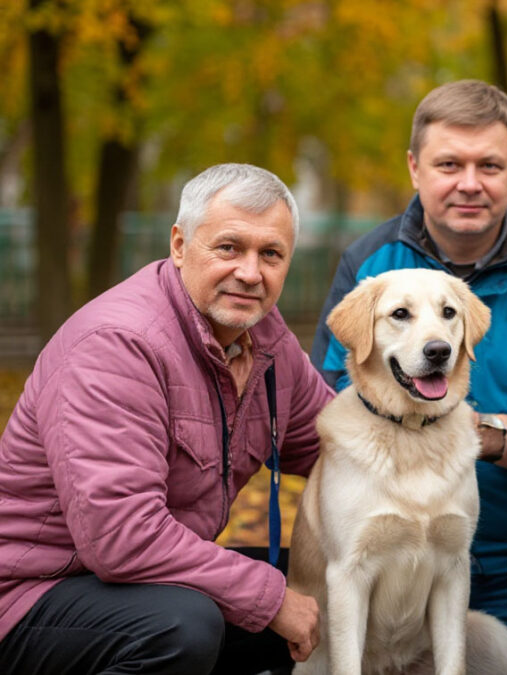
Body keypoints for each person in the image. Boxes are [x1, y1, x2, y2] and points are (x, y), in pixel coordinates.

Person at [0, 163, 335, 674]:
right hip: (30, 594)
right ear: (179, 245)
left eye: (271, 254)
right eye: (229, 247)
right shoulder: (117, 346)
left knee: (324, 588)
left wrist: (444, 437)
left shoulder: (266, 341)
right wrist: (270, 598)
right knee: (185, 625)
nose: (251, 272)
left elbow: (338, 443)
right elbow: (123, 538)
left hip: (130, 582)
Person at [310, 80, 507, 627]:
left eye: (490, 167)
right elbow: (329, 399)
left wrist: (483, 433)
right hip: (387, 573)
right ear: (414, 168)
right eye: (449, 164)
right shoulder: (368, 265)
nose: (469, 184)